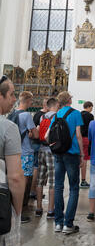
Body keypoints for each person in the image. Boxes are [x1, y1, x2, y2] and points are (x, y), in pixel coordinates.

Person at [48, 91, 84, 235]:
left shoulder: (56, 115)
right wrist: (82, 154)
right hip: (72, 153)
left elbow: (47, 135)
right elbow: (79, 135)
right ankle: (68, 224)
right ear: (69, 100)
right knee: (74, 188)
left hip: (58, 154)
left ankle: (58, 223)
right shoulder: (76, 114)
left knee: (58, 186)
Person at [0, 76, 25, 246]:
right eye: (11, 94)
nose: (14, 99)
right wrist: (17, 210)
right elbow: (15, 177)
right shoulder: (8, 128)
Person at [11, 91, 39, 224]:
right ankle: (20, 212)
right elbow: (36, 134)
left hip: (15, 153)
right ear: (27, 101)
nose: (31, 103)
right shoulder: (26, 115)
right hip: (26, 153)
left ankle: (12, 210)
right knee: (24, 183)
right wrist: (33, 132)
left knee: (15, 182)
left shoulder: (13, 113)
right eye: (31, 101)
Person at [35, 97, 59, 219]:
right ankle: (50, 210)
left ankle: (38, 208)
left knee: (40, 180)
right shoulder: (56, 116)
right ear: (56, 105)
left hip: (41, 149)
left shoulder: (42, 117)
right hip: (51, 151)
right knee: (53, 181)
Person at [30, 97, 49, 200]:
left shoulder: (37, 114)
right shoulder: (43, 116)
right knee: (37, 169)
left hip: (33, 144)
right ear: (46, 105)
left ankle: (32, 191)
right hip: (39, 144)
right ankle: (34, 191)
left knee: (34, 167)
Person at [80, 101, 94, 189]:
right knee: (84, 159)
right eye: (91, 107)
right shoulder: (90, 116)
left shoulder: (78, 114)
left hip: (78, 138)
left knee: (78, 158)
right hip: (85, 138)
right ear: (89, 107)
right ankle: (83, 180)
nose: (92, 109)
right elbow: (91, 128)